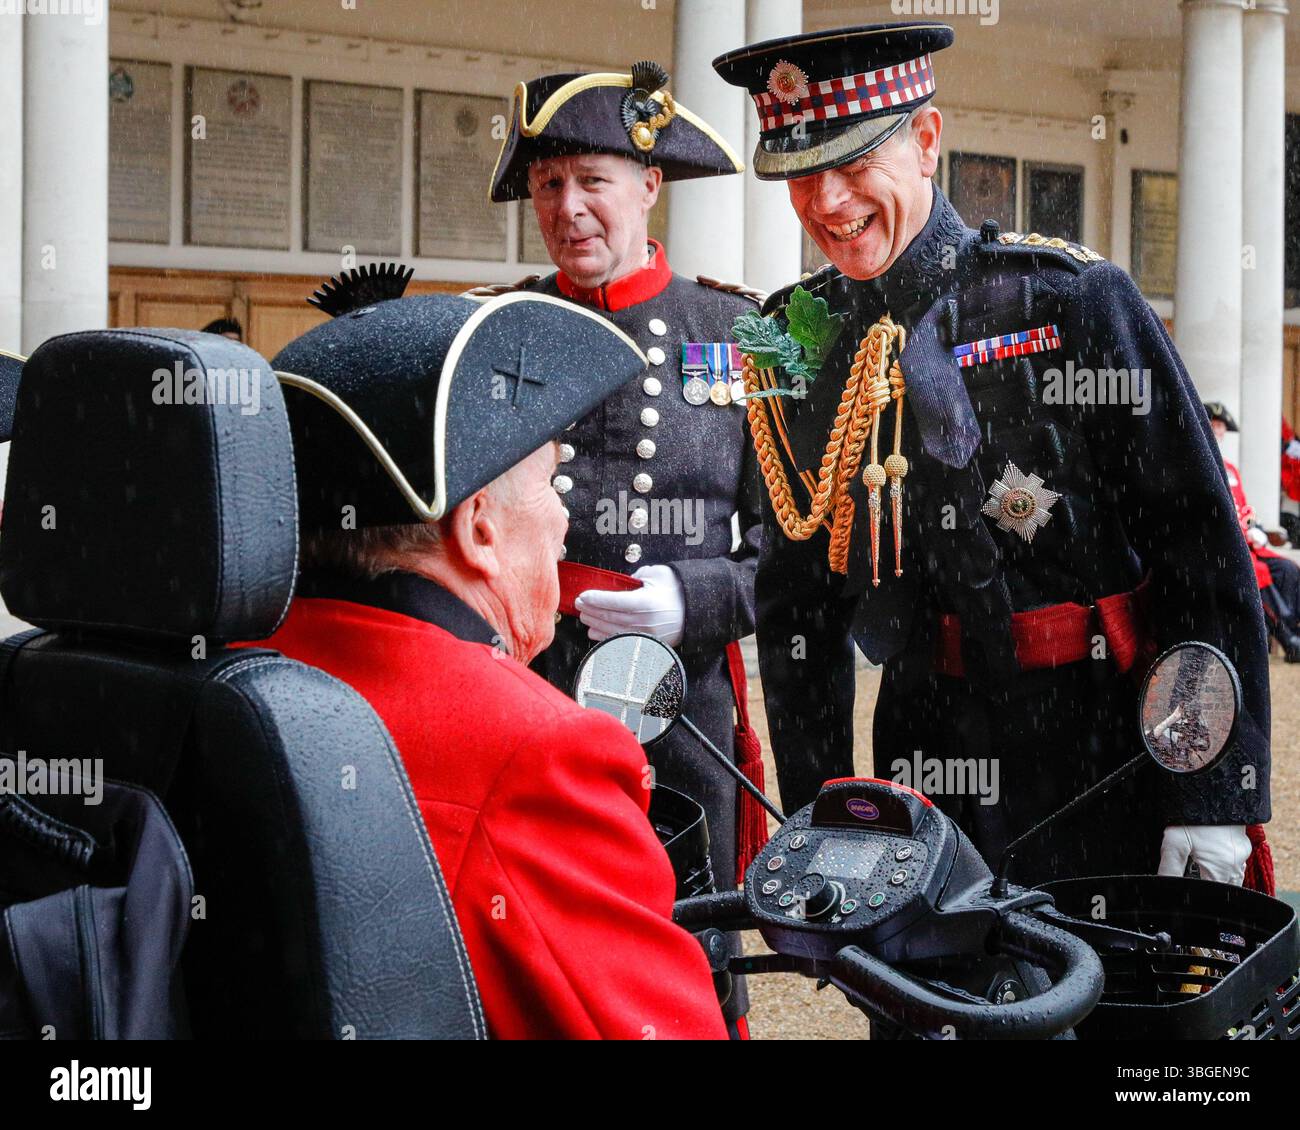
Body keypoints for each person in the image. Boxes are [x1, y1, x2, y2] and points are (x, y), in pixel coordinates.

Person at [713, 21, 1271, 889]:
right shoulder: (795, 341)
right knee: (926, 1015)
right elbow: (800, 615)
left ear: (927, 142)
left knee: (1101, 1006)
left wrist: (1210, 787)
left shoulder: (1074, 299)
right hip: (921, 748)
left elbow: (1199, 549)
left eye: (855, 166)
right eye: (800, 177)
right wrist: (822, 817)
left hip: (1101, 746)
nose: (827, 202)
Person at [254, 266, 727, 1040]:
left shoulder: (229, 666)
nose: (564, 521)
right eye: (551, 483)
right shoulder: (540, 753)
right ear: (477, 528)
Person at [484, 61, 766, 1035]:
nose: (568, 208)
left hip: (677, 698)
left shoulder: (740, 334)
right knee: (535, 933)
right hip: (527, 684)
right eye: (548, 184)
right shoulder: (499, 328)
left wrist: (698, 597)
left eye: (592, 180)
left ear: (651, 185)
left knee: (688, 938)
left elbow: (800, 555)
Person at [1205, 401, 1300, 662]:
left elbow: (1243, 506)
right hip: (1223, 545)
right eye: (1213, 425)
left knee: (1287, 569)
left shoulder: (1231, 468)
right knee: (1258, 573)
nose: (1218, 431)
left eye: (1221, 426)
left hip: (1247, 541)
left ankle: (1292, 629)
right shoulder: (1202, 465)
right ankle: (1288, 638)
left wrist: (1253, 525)